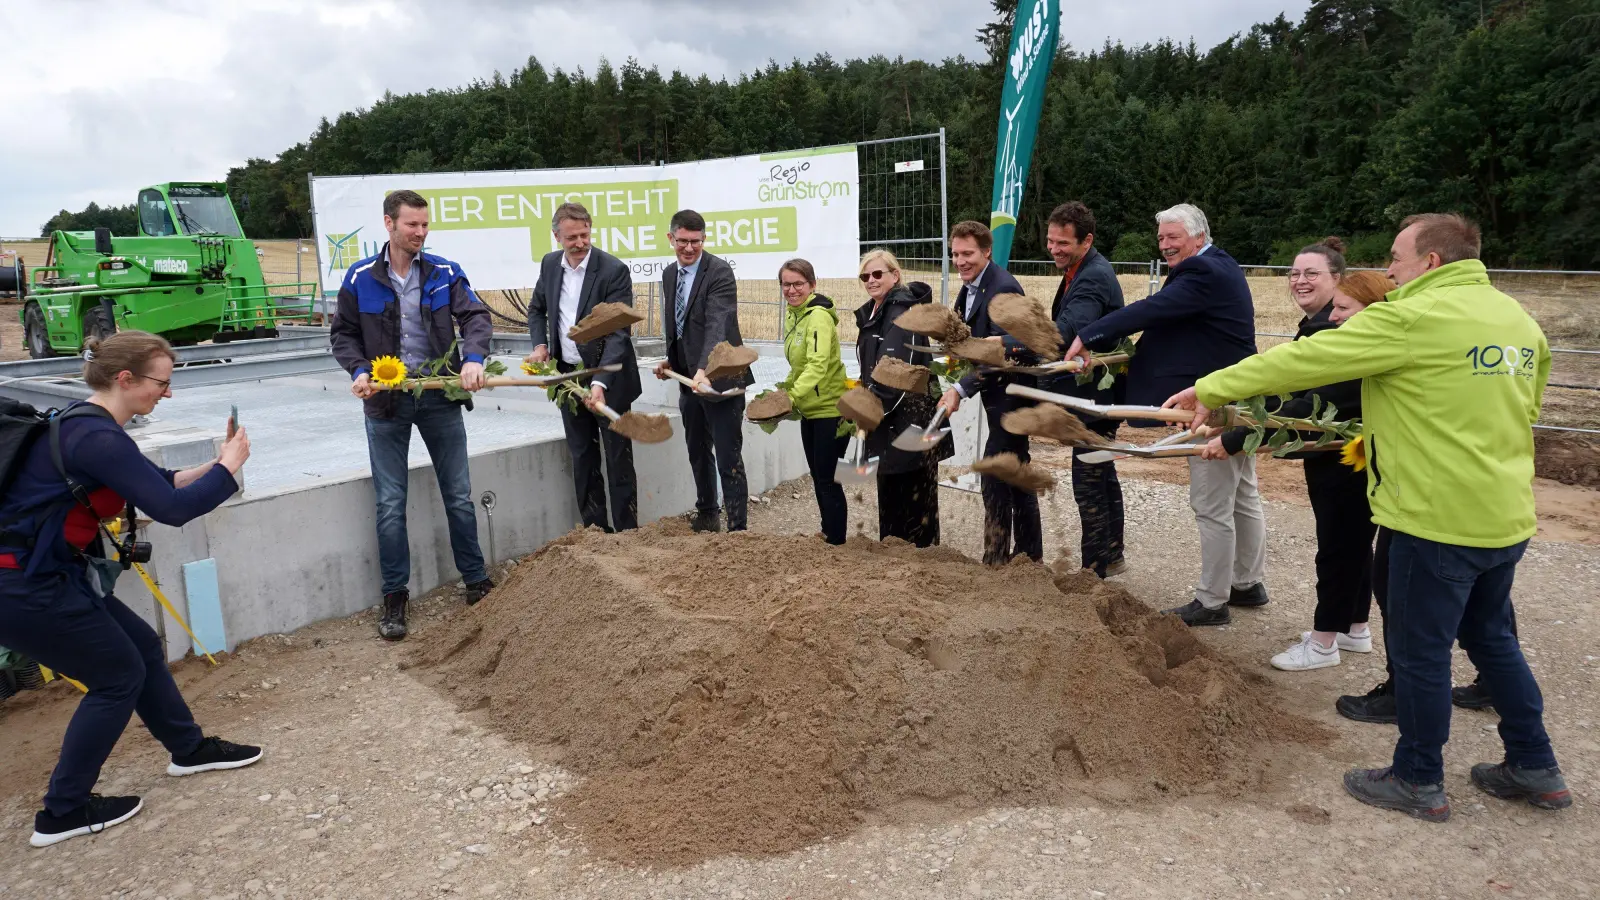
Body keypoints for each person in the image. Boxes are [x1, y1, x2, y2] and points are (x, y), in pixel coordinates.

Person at [1166, 213, 1571, 820]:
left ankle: (1417, 778)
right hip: (1504, 515)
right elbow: (1529, 403)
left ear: (1432, 262)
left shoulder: (1410, 317)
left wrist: (1213, 388)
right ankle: (1535, 764)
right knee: (1492, 639)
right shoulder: (1515, 319)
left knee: (1419, 653)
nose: (1388, 269)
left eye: (1396, 257)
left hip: (1432, 519)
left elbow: (1305, 362)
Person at [0, 332, 262, 847]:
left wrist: (211, 466)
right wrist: (230, 468)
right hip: (22, 584)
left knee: (140, 645)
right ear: (125, 379)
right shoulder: (97, 437)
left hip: (46, 573)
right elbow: (172, 509)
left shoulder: (85, 423)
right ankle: (62, 811)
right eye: (161, 383)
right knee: (117, 676)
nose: (167, 394)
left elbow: (155, 480)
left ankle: (188, 750)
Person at [1064, 203, 1265, 626]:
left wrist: (1089, 332)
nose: (1166, 245)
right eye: (1161, 238)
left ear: (1198, 236)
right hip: (1237, 392)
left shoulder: (1202, 272)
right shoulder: (1219, 261)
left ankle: (1212, 602)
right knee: (1242, 494)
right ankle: (1247, 582)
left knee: (1212, 503)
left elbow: (1154, 309)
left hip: (1211, 401)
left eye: (1174, 236)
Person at [1202, 247, 1388, 671]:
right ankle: (1354, 628)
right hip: (1343, 453)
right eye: (1294, 272)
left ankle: (1324, 642)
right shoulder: (1323, 327)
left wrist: (1235, 435)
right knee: (1355, 545)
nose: (1300, 280)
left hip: (1343, 457)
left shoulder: (1344, 341)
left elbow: (1305, 405)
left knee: (1339, 546)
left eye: (1312, 274)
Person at [330, 189, 494, 641]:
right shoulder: (360, 276)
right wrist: (361, 370)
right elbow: (342, 334)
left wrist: (475, 358)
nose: (420, 233)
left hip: (440, 395)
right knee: (389, 504)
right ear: (389, 224)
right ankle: (395, 596)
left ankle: (476, 579)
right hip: (385, 402)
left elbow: (476, 317)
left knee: (458, 494)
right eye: (411, 225)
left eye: (425, 225)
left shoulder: (445, 272)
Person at [526, 202, 643, 532]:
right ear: (556, 236)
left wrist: (600, 383)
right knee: (582, 457)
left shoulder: (612, 271)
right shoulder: (550, 265)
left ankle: (628, 535)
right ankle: (595, 533)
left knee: (618, 459)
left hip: (609, 380)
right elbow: (536, 310)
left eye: (585, 234)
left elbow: (619, 333)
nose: (580, 242)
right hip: (568, 377)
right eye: (572, 237)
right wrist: (540, 346)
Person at [936, 221, 1040, 565]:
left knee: (995, 469)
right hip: (998, 392)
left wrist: (960, 389)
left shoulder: (1003, 289)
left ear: (987, 251)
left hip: (1014, 393)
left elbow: (1004, 351)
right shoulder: (971, 287)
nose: (960, 261)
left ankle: (996, 557)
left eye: (968, 253)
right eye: (955, 254)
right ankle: (1028, 556)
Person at [653, 209, 753, 533]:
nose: (689, 248)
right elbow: (680, 327)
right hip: (688, 383)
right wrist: (673, 361)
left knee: (728, 457)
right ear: (671, 239)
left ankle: (738, 530)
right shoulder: (670, 275)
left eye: (695, 241)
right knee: (698, 452)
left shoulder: (719, 272)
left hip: (720, 380)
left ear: (704, 239)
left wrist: (704, 371)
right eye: (682, 241)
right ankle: (708, 514)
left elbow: (716, 325)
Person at [1041, 201, 1127, 578]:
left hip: (1097, 396)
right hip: (1095, 392)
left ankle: (1094, 572)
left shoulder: (1092, 275)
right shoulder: (1079, 268)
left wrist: (1010, 340)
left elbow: (1068, 330)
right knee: (1102, 472)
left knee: (1088, 479)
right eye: (1050, 241)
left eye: (1062, 243)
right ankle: (1113, 554)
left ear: (1086, 240)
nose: (1054, 249)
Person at [854, 249, 952, 546]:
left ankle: (922, 572)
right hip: (892, 424)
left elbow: (894, 376)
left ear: (895, 275)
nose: (871, 280)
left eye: (877, 274)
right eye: (865, 276)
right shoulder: (879, 311)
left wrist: (868, 409)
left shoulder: (901, 315)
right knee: (894, 497)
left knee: (913, 505)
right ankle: (898, 573)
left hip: (909, 424)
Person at [777, 258, 850, 544]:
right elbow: (800, 366)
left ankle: (836, 540)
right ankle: (828, 531)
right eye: (786, 284)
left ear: (812, 284)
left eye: (798, 284)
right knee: (819, 475)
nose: (792, 290)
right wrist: (788, 391)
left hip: (830, 409)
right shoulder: (795, 314)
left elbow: (818, 365)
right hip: (810, 409)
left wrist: (790, 396)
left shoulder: (817, 316)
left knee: (828, 479)